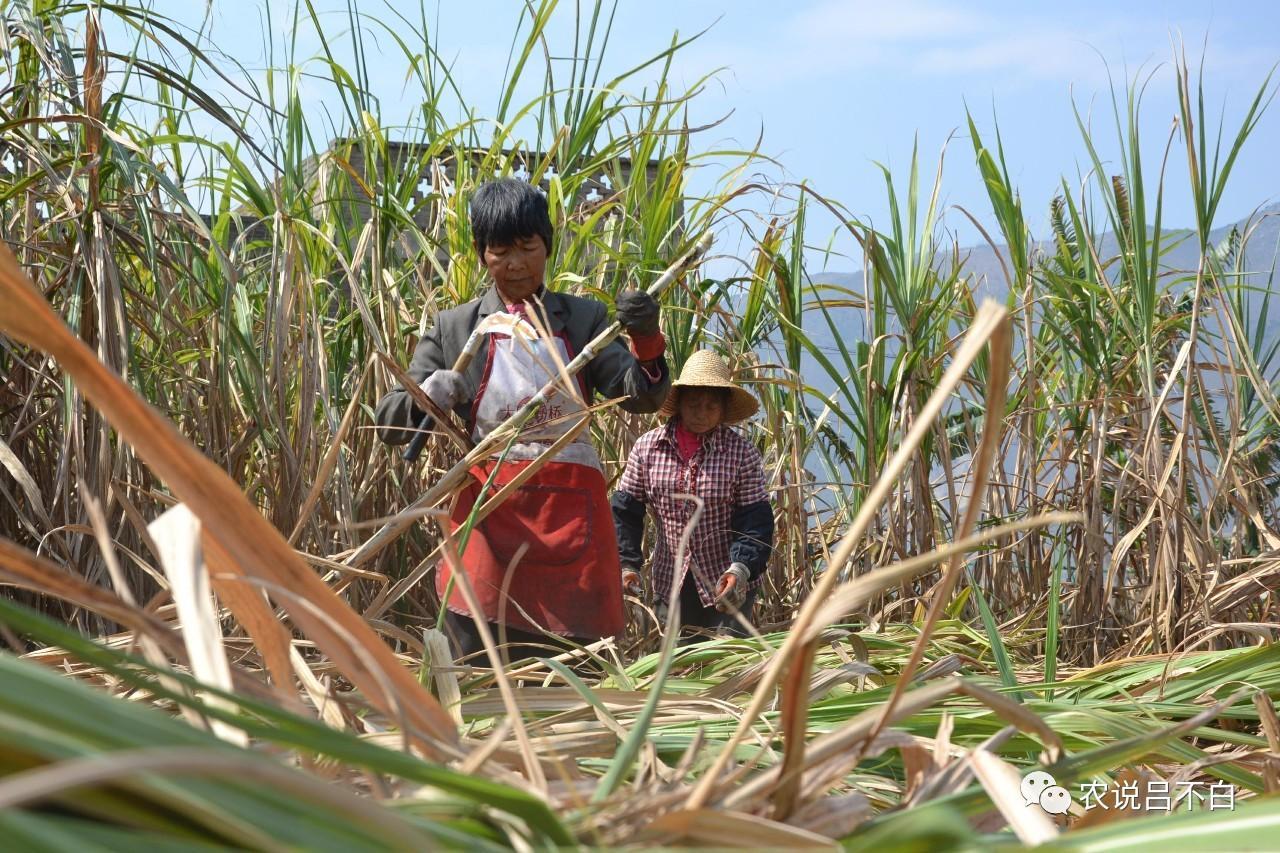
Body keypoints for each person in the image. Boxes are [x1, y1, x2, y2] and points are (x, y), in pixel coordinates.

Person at [374, 177, 670, 661]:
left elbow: (638, 395)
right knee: (479, 679)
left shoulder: (583, 320)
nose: (514, 264)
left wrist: (648, 342)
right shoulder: (457, 327)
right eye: (500, 251)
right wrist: (428, 396)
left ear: (547, 246)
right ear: (480, 253)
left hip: (571, 521)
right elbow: (389, 424)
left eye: (527, 247)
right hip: (487, 520)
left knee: (576, 689)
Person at [611, 350, 774, 639]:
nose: (702, 413)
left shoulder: (741, 453)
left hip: (726, 584)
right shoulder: (648, 449)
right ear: (680, 404)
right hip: (669, 582)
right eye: (694, 404)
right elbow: (626, 511)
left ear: (723, 410)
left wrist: (740, 569)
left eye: (712, 406)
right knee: (671, 672)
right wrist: (627, 565)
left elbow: (755, 522)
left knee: (727, 670)